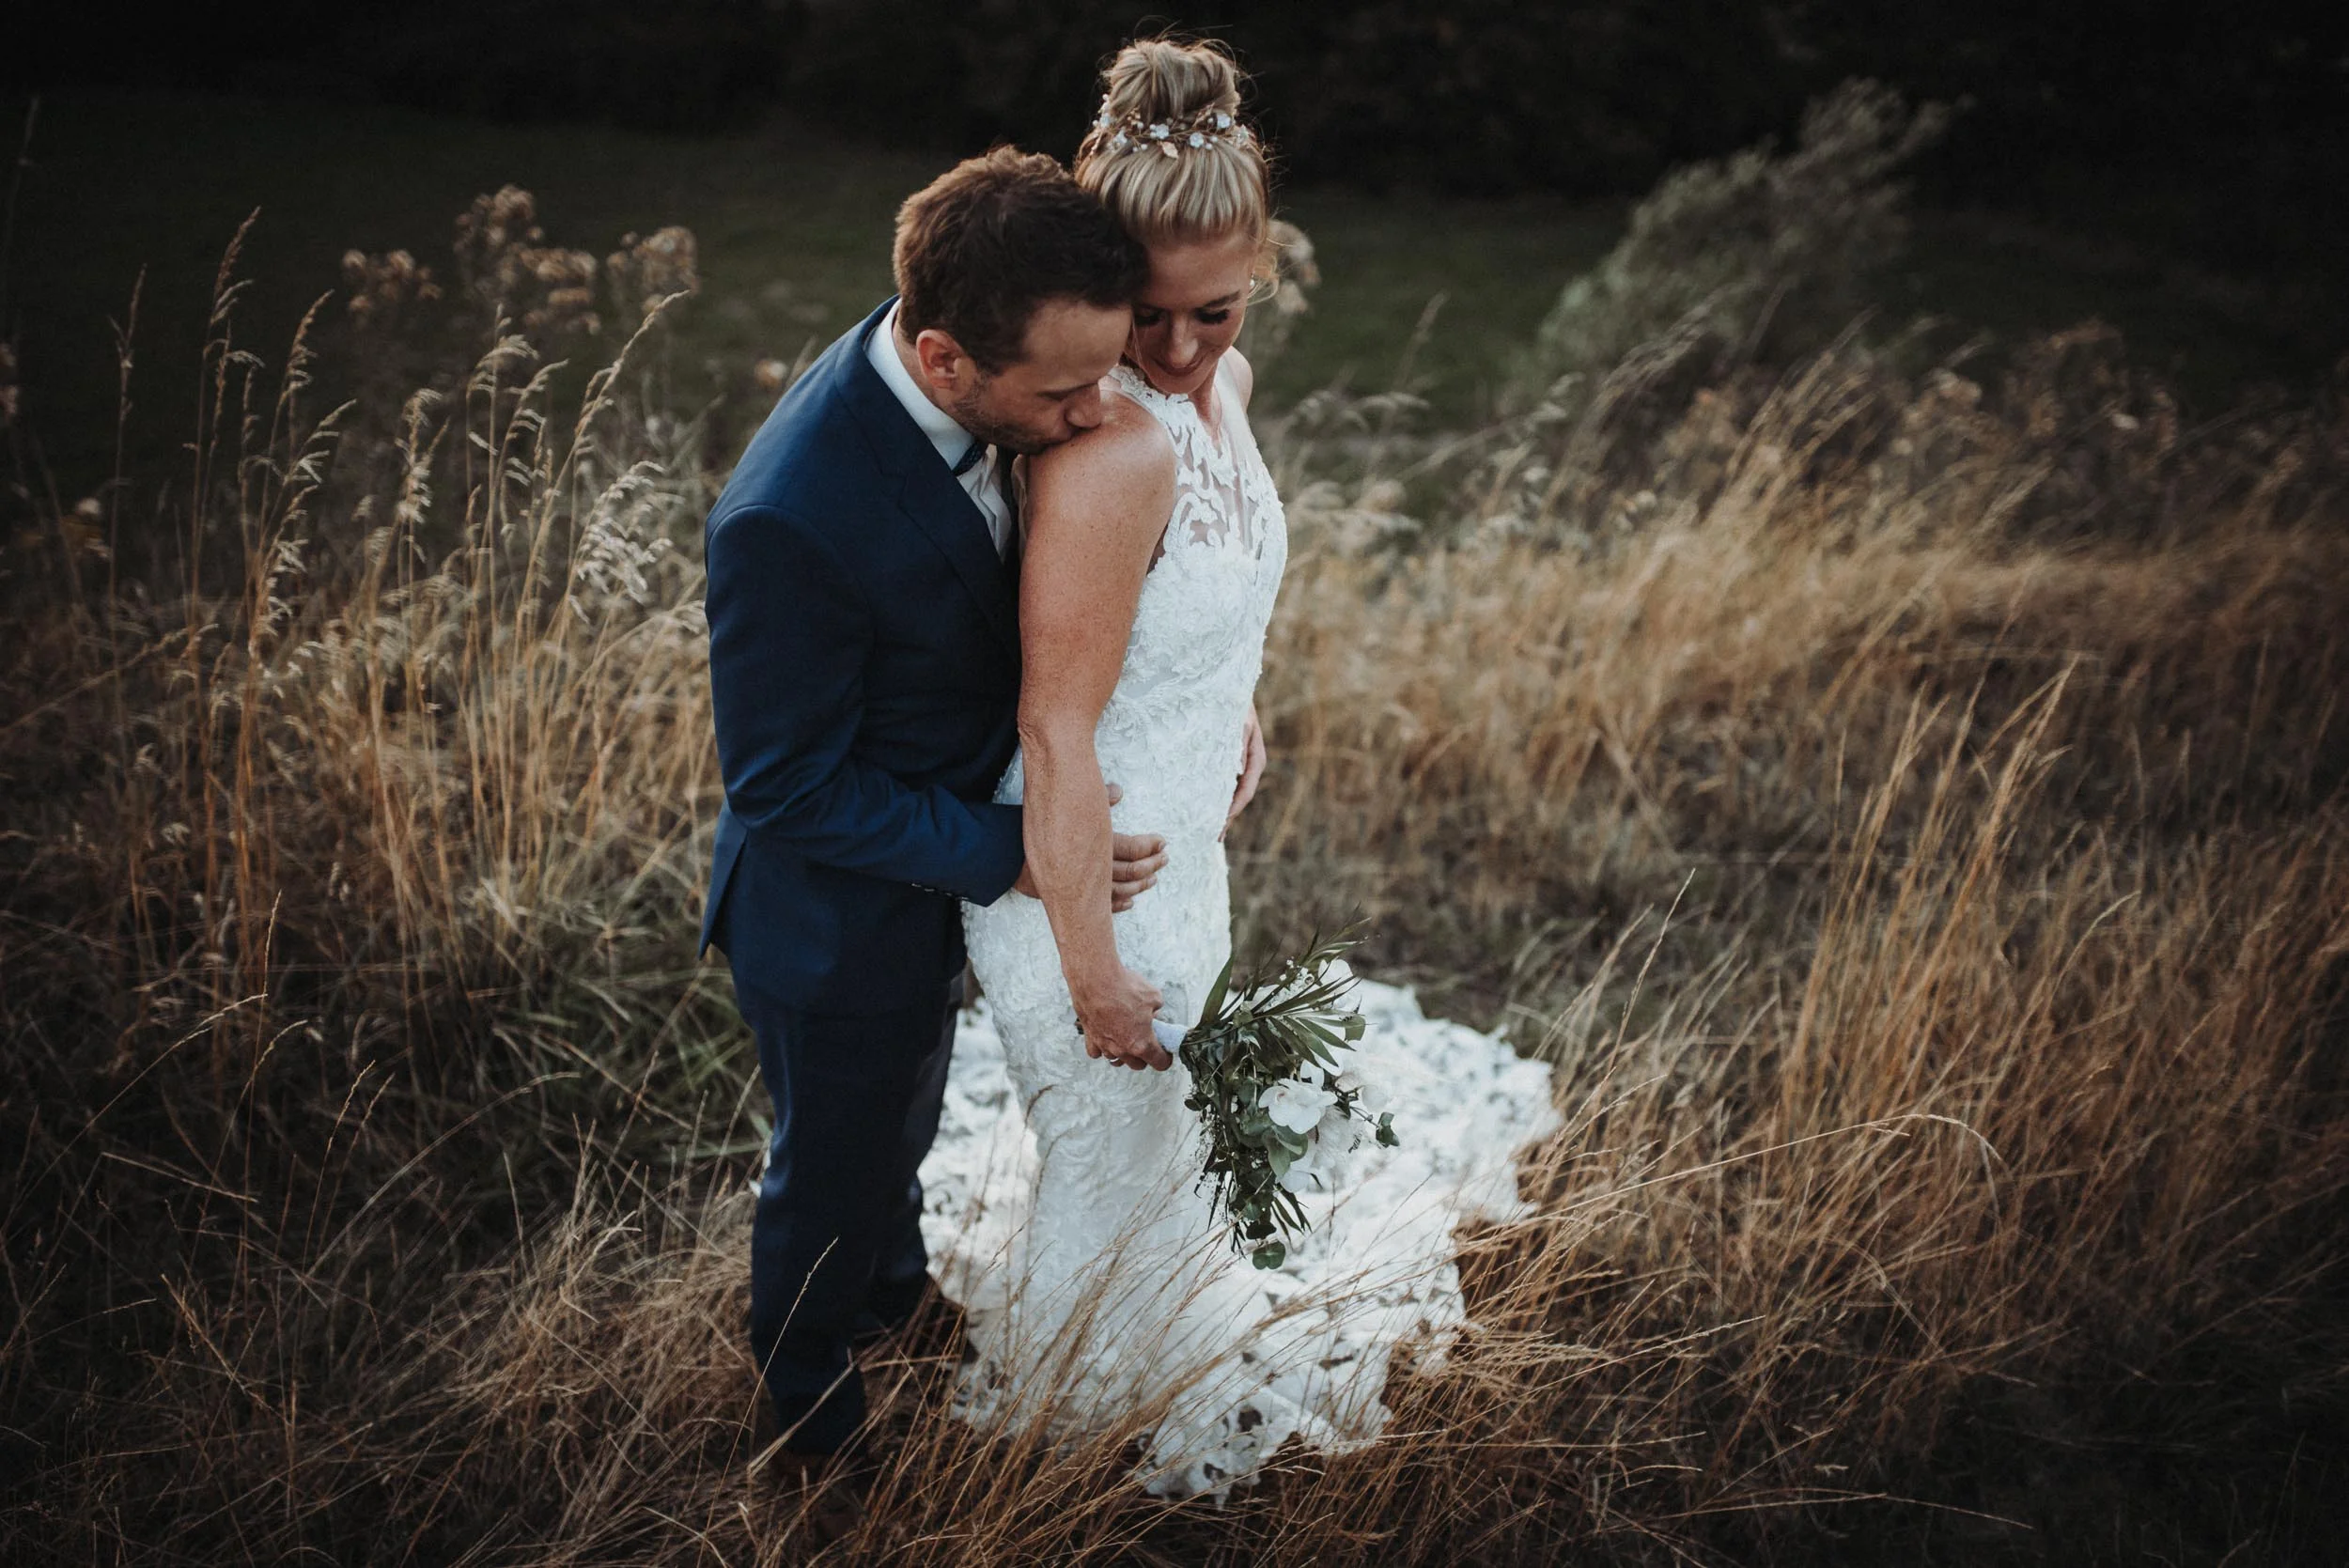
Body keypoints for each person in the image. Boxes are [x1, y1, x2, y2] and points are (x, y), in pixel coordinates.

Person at [941, 39, 1560, 1498]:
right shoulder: (1109, 453)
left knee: (1151, 1170)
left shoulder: (1228, 390)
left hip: (1182, 853)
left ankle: (1113, 1365)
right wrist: (1088, 962)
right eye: (1145, 317)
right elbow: (1053, 728)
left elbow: (1216, 585)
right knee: (1111, 1151)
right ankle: (1059, 1466)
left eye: (1211, 315)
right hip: (1088, 886)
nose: (1171, 354)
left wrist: (1236, 698)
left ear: (1262, 276)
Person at [698, 148, 1171, 1485]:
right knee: (827, 1167)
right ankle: (810, 1425)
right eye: (1066, 391)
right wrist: (1012, 854)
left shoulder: (972, 365)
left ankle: (896, 1297)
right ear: (947, 357)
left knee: (903, 1119)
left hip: (918, 902)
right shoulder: (787, 518)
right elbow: (782, 786)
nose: (1094, 416)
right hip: (829, 926)